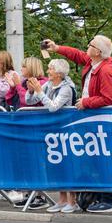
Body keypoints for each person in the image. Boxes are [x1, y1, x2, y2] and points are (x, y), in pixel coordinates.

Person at [45, 36, 112, 213]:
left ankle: (109, 199)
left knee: (103, 158)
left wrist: (87, 102)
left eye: (91, 45)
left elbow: (109, 98)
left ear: (98, 52)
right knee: (96, 158)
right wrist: (57, 48)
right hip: (95, 119)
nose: (87, 47)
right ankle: (105, 196)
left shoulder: (105, 70)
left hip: (101, 120)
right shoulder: (95, 63)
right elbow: (77, 55)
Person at [25, 59, 79, 213]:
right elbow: (30, 101)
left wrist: (39, 92)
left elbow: (53, 107)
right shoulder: (49, 84)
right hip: (52, 131)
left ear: (59, 73)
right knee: (57, 165)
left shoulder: (66, 88)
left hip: (66, 131)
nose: (47, 71)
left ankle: (72, 201)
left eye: (50, 69)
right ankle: (62, 199)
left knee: (68, 165)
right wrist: (31, 90)